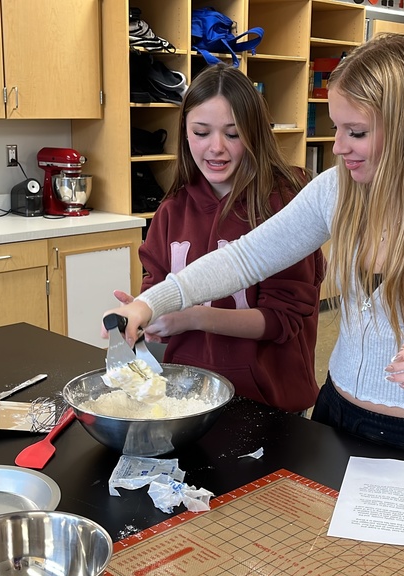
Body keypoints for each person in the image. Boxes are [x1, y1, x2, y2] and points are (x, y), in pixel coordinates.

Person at [107, 34, 404, 470]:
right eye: (336, 128)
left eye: (356, 132)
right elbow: (244, 258)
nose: (338, 146)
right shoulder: (337, 190)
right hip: (335, 416)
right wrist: (148, 304)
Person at [120, 63, 326, 413]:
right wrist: (148, 318)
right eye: (201, 132)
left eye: (233, 134)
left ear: (256, 134)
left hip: (269, 402)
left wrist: (192, 317)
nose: (216, 147)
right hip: (189, 396)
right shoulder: (171, 211)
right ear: (185, 133)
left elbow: (283, 320)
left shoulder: (285, 205)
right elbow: (156, 289)